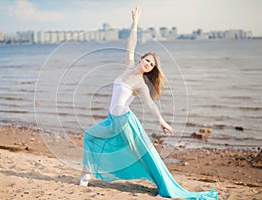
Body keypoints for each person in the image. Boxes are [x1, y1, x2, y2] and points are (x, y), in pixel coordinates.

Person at [80, 6, 218, 199]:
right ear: (142, 58)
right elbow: (131, 43)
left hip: (126, 123)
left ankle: (166, 188)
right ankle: (86, 174)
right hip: (112, 120)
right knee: (90, 136)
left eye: (151, 65)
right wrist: (135, 23)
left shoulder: (141, 84)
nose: (148, 64)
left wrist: (161, 121)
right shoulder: (128, 66)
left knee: (145, 156)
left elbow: (150, 105)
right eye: (148, 60)